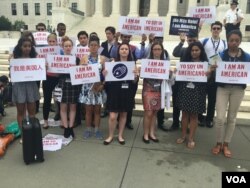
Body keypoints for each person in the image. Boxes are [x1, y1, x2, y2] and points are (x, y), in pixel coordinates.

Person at [211, 30, 250, 158]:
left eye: (236, 40)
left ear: (240, 41)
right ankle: (218, 142)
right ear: (227, 41)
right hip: (223, 89)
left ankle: (226, 144)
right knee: (220, 118)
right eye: (231, 40)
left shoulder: (247, 57)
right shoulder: (219, 55)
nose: (234, 43)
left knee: (232, 118)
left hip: (238, 90)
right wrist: (213, 68)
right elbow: (209, 67)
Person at [176, 41, 208, 149]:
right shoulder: (185, 62)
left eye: (196, 50)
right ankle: (183, 135)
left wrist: (209, 73)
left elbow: (208, 79)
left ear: (201, 51)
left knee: (194, 116)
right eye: (192, 50)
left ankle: (191, 138)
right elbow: (178, 76)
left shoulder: (205, 64)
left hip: (198, 91)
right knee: (184, 114)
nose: (194, 52)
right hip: (185, 89)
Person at [103, 43, 137, 145]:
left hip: (126, 92)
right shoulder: (113, 62)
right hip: (114, 91)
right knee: (113, 116)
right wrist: (105, 74)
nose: (124, 50)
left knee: (123, 114)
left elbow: (134, 82)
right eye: (122, 48)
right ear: (118, 51)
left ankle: (120, 135)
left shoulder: (132, 64)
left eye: (126, 49)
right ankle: (110, 135)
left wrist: (136, 76)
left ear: (129, 51)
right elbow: (107, 80)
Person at [110, 33, 144, 130]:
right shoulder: (117, 47)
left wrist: (143, 42)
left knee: (130, 99)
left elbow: (141, 55)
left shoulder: (134, 48)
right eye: (124, 37)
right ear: (121, 37)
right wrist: (115, 40)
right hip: (118, 78)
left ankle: (128, 121)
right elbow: (112, 54)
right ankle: (118, 121)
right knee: (119, 98)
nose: (126, 38)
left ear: (130, 38)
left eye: (128, 37)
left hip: (131, 77)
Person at [199, 21, 227, 128]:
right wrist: (198, 29)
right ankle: (200, 117)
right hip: (205, 72)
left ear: (220, 30)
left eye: (218, 28)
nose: (216, 30)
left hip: (216, 74)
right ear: (211, 30)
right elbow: (194, 44)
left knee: (212, 98)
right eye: (214, 28)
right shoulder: (204, 40)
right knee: (201, 96)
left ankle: (209, 119)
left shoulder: (224, 43)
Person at [12, 36, 40, 142]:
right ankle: (23, 134)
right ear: (20, 47)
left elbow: (39, 72)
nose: (27, 48)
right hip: (19, 86)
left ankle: (32, 131)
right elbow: (12, 74)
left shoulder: (34, 59)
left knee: (32, 111)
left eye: (29, 46)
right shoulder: (15, 59)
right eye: (25, 46)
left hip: (31, 86)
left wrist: (43, 67)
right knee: (21, 111)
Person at [171, 32, 199, 132]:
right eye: (189, 40)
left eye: (194, 41)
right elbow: (175, 53)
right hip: (180, 81)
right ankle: (175, 123)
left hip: (193, 82)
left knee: (188, 105)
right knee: (176, 102)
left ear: (197, 40)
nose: (191, 42)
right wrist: (181, 42)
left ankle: (186, 125)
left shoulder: (199, 52)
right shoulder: (183, 50)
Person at [79, 35, 105, 140]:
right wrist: (82, 67)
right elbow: (79, 73)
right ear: (88, 46)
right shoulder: (84, 58)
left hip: (98, 88)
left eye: (95, 45)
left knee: (97, 110)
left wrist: (103, 84)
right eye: (91, 45)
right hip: (87, 88)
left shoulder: (102, 58)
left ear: (98, 46)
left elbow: (105, 74)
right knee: (88, 110)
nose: (93, 47)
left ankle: (97, 130)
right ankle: (88, 129)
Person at [142, 42, 166, 143]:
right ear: (152, 51)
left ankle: (152, 133)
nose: (157, 51)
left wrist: (170, 73)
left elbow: (167, 77)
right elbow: (143, 75)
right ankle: (145, 134)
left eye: (158, 49)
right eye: (155, 49)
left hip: (160, 90)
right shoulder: (147, 61)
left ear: (162, 50)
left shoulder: (165, 62)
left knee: (155, 112)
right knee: (148, 112)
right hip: (148, 89)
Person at [58, 36, 80, 138]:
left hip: (73, 84)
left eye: (69, 45)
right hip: (62, 83)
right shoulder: (59, 59)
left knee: (73, 106)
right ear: (62, 47)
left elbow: (80, 72)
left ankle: (71, 127)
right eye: (66, 46)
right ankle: (66, 128)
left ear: (72, 47)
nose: (67, 47)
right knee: (63, 107)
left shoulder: (76, 59)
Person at [42, 33, 59, 129]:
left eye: (53, 41)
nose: (52, 43)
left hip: (57, 78)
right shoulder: (43, 52)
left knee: (60, 100)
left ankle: (60, 118)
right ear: (47, 42)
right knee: (47, 100)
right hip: (47, 78)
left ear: (56, 42)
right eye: (50, 41)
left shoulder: (60, 50)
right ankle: (45, 120)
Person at [100, 26, 116, 118]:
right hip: (104, 70)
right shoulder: (103, 44)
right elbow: (99, 55)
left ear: (113, 34)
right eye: (106, 33)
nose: (107, 35)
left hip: (114, 72)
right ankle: (105, 109)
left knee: (112, 91)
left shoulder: (118, 44)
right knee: (105, 90)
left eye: (109, 33)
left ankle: (112, 109)